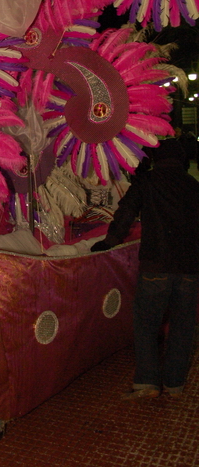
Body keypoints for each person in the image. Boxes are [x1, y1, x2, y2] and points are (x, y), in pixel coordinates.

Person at [91, 138, 199, 399]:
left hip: (155, 266)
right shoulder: (194, 186)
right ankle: (174, 384)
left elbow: (125, 213)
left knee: (147, 325)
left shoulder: (147, 183)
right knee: (183, 327)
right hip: (190, 269)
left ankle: (148, 382)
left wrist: (109, 242)